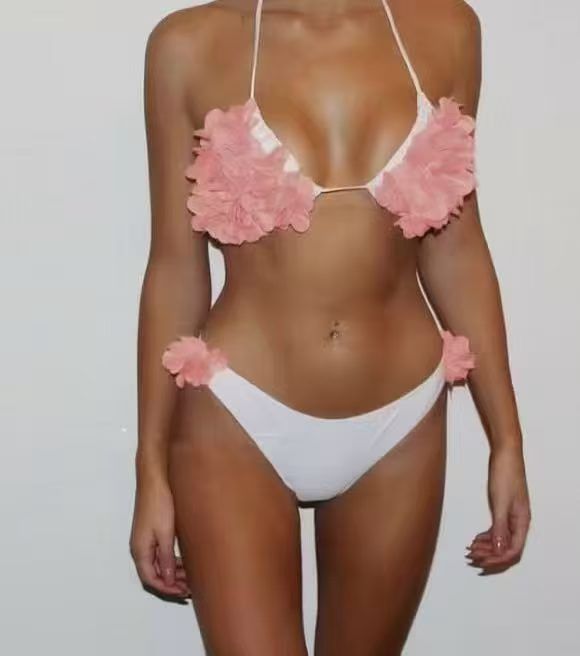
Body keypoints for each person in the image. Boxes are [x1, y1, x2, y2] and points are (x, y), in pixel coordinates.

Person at [130, 0, 531, 653]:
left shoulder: (448, 28)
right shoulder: (189, 44)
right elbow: (176, 268)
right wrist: (149, 466)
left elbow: (458, 250)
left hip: (400, 420)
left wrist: (506, 439)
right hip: (239, 413)